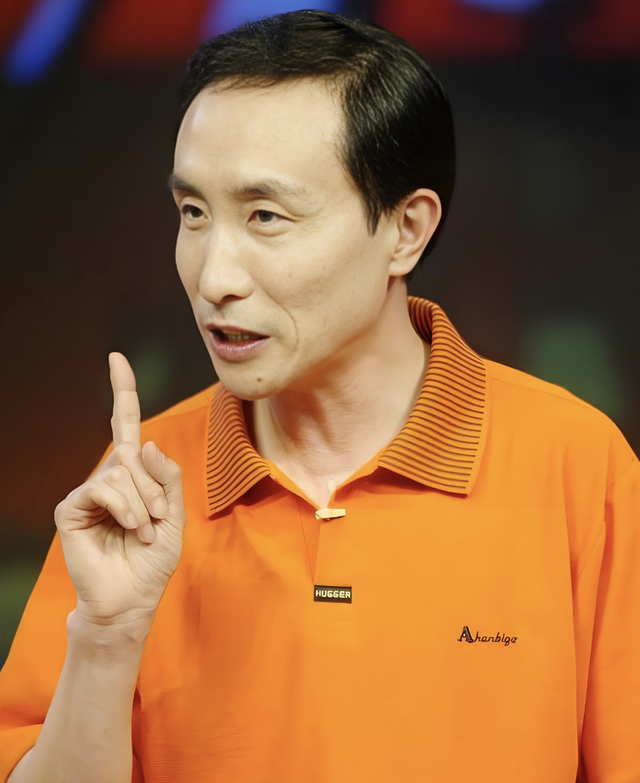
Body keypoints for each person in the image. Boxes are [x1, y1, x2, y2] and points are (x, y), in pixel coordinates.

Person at [0, 9, 638, 783]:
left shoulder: (576, 467)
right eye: (193, 213)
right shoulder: (142, 486)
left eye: (266, 216)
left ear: (405, 229)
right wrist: (107, 637)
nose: (214, 276)